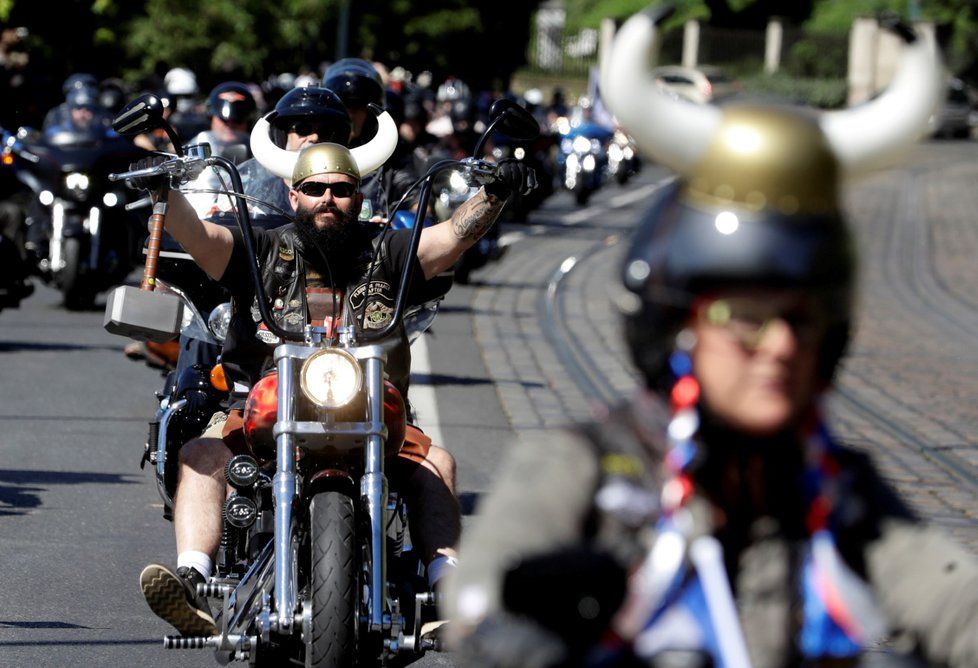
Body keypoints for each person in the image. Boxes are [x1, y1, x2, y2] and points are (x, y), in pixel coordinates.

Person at [446, 11, 978, 668]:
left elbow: (952, 596)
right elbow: (480, 590)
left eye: (801, 320)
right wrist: (521, 629)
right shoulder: (582, 464)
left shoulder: (841, 492)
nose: (780, 346)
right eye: (745, 319)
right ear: (679, 324)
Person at [131, 140, 535, 636]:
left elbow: (453, 236)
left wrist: (495, 192)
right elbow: (199, 235)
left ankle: (445, 586)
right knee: (200, 454)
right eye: (314, 188)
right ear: (293, 195)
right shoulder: (260, 250)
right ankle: (194, 577)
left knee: (439, 464)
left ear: (358, 198)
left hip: (371, 409)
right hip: (262, 407)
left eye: (341, 190)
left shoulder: (389, 252)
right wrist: (162, 190)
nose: (328, 198)